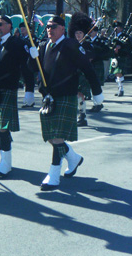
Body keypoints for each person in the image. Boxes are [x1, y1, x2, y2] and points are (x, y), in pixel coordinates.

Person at [37, 15, 103, 191]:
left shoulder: (71, 45)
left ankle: (53, 175)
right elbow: (39, 71)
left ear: (62, 29)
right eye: (48, 27)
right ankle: (73, 157)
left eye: (53, 26)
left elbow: (87, 69)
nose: (49, 29)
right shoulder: (44, 46)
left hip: (65, 94)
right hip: (49, 97)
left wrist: (97, 92)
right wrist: (31, 58)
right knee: (51, 136)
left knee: (57, 136)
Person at [0, 14, 29, 177]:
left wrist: (29, 89)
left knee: (2, 127)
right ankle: (4, 161)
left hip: (7, 88)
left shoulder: (17, 44)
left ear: (10, 26)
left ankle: (6, 164)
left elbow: (26, 67)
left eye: (1, 24)